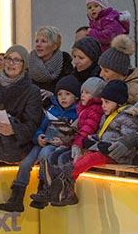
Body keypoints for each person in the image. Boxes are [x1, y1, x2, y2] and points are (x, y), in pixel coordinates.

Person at [41, 80, 138, 207]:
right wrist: (91, 139)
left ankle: (62, 175)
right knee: (83, 157)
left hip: (117, 154)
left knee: (89, 159)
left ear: (118, 102)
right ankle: (66, 189)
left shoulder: (127, 117)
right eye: (103, 101)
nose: (103, 105)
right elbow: (102, 134)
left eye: (107, 102)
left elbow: (128, 139)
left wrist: (110, 146)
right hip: (103, 149)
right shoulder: (108, 115)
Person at [0, 75, 79, 213]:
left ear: (76, 97)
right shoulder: (52, 110)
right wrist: (38, 137)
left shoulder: (77, 113)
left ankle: (43, 190)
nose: (63, 98)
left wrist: (65, 141)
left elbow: (76, 134)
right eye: (60, 94)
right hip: (43, 142)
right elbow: (40, 127)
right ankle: (17, 197)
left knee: (44, 156)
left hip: (58, 146)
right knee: (25, 163)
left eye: (67, 94)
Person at [29, 77, 106, 209]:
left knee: (61, 158)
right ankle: (49, 189)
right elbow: (75, 128)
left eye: (87, 93)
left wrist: (73, 142)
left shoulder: (91, 110)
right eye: (82, 92)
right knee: (51, 156)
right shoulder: (82, 109)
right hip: (69, 143)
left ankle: (65, 192)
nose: (83, 95)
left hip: (79, 145)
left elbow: (85, 130)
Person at [98, 34, 138, 164]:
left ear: (119, 71)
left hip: (132, 155)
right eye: (101, 70)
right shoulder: (111, 83)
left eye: (106, 71)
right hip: (107, 147)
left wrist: (131, 140)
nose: (101, 74)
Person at [0, 45, 42, 166]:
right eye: (8, 58)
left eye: (17, 60)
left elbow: (32, 125)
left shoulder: (32, 91)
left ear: (24, 65)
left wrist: (13, 130)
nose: (11, 63)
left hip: (17, 145)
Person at [28, 26, 73, 106]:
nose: (38, 45)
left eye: (43, 41)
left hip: (57, 109)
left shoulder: (65, 63)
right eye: (37, 41)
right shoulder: (29, 61)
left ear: (54, 46)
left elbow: (70, 92)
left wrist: (53, 95)